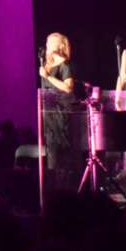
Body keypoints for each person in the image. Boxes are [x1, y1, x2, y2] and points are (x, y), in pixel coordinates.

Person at [38, 31, 80, 191]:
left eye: (50, 41)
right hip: (48, 113)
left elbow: (68, 88)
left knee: (64, 152)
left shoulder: (65, 64)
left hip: (62, 112)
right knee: (52, 152)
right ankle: (54, 190)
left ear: (59, 45)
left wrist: (48, 77)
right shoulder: (46, 64)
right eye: (47, 41)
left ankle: (67, 188)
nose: (47, 44)